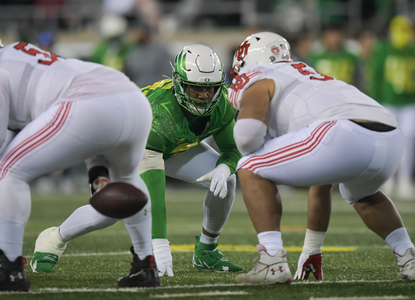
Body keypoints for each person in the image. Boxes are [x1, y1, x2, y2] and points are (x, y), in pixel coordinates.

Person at [0, 24, 159, 292]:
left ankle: (10, 268)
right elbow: (96, 128)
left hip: (87, 104)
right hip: (133, 99)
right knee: (128, 177)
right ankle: (145, 265)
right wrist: (97, 173)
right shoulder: (24, 57)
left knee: (8, 169)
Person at [30, 44, 243, 277]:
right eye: (196, 89)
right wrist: (160, 245)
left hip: (171, 144)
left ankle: (206, 250)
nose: (204, 96)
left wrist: (224, 168)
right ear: (180, 84)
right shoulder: (158, 111)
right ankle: (53, 239)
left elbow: (232, 148)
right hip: (122, 145)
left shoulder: (221, 100)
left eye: (210, 89)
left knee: (227, 179)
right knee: (110, 210)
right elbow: (154, 189)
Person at [228, 31, 415, 284]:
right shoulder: (304, 73)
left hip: (342, 133)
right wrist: (311, 249)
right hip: (390, 136)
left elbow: (247, 137)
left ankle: (271, 260)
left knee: (249, 165)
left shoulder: (259, 75)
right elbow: (322, 180)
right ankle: (409, 258)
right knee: (360, 194)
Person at [368, 15, 415, 200]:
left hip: (410, 101)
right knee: (388, 141)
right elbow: (376, 76)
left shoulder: (412, 51)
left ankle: (405, 180)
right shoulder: (383, 50)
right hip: (387, 102)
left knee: (409, 139)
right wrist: (375, 102)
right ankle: (387, 179)